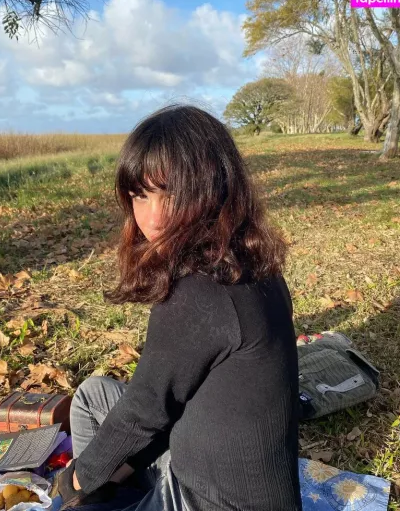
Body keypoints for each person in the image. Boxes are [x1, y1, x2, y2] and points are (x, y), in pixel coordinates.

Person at [58, 105, 302, 511]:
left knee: (78, 490)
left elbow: (145, 410)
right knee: (90, 397)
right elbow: (164, 399)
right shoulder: (251, 263)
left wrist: (76, 480)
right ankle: (110, 493)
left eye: (170, 193)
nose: (153, 218)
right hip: (199, 451)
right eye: (140, 195)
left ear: (215, 188)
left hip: (210, 500)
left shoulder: (200, 292)